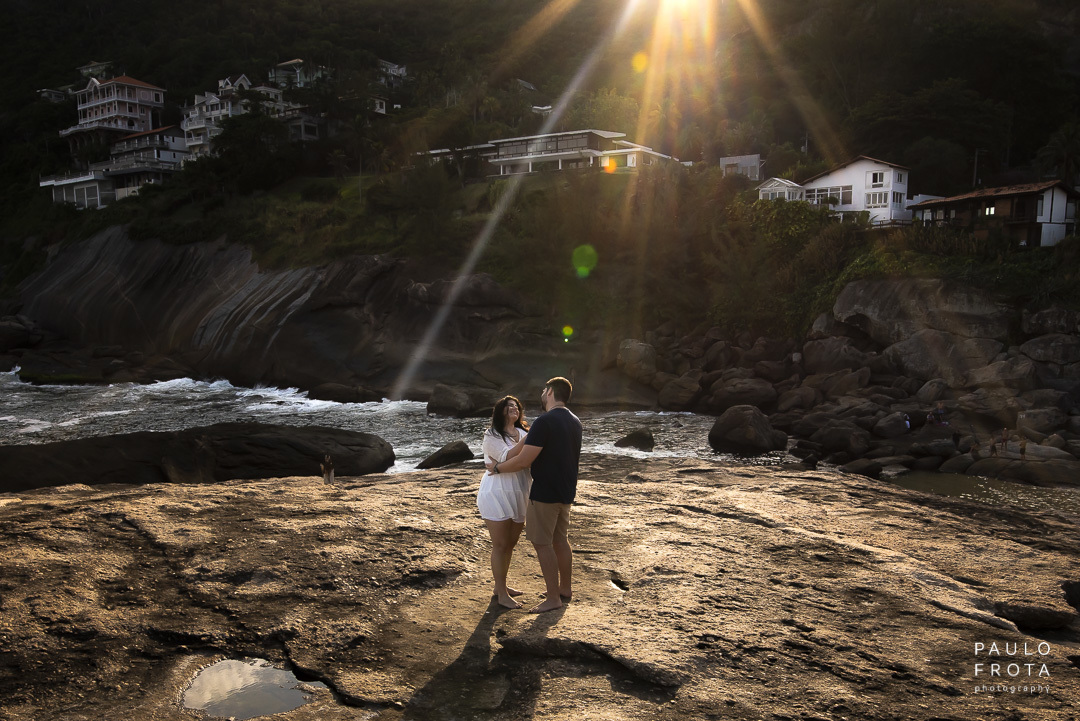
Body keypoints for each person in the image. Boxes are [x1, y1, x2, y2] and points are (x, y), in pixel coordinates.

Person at [486, 377, 582, 614]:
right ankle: (565, 589)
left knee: (542, 543)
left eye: (543, 390)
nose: (542, 394)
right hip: (566, 490)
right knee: (560, 540)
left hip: (545, 492)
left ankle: (553, 598)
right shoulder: (575, 420)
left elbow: (523, 461)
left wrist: (497, 468)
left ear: (549, 392)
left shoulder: (544, 421)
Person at [477, 396, 531, 609]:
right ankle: (501, 594)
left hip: (521, 492)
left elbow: (526, 462)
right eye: (509, 406)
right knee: (500, 545)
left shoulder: (524, 433)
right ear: (500, 411)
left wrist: (527, 439)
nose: (514, 408)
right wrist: (529, 439)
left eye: (516, 406)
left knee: (510, 544)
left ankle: (501, 587)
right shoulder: (491, 434)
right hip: (497, 492)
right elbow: (507, 457)